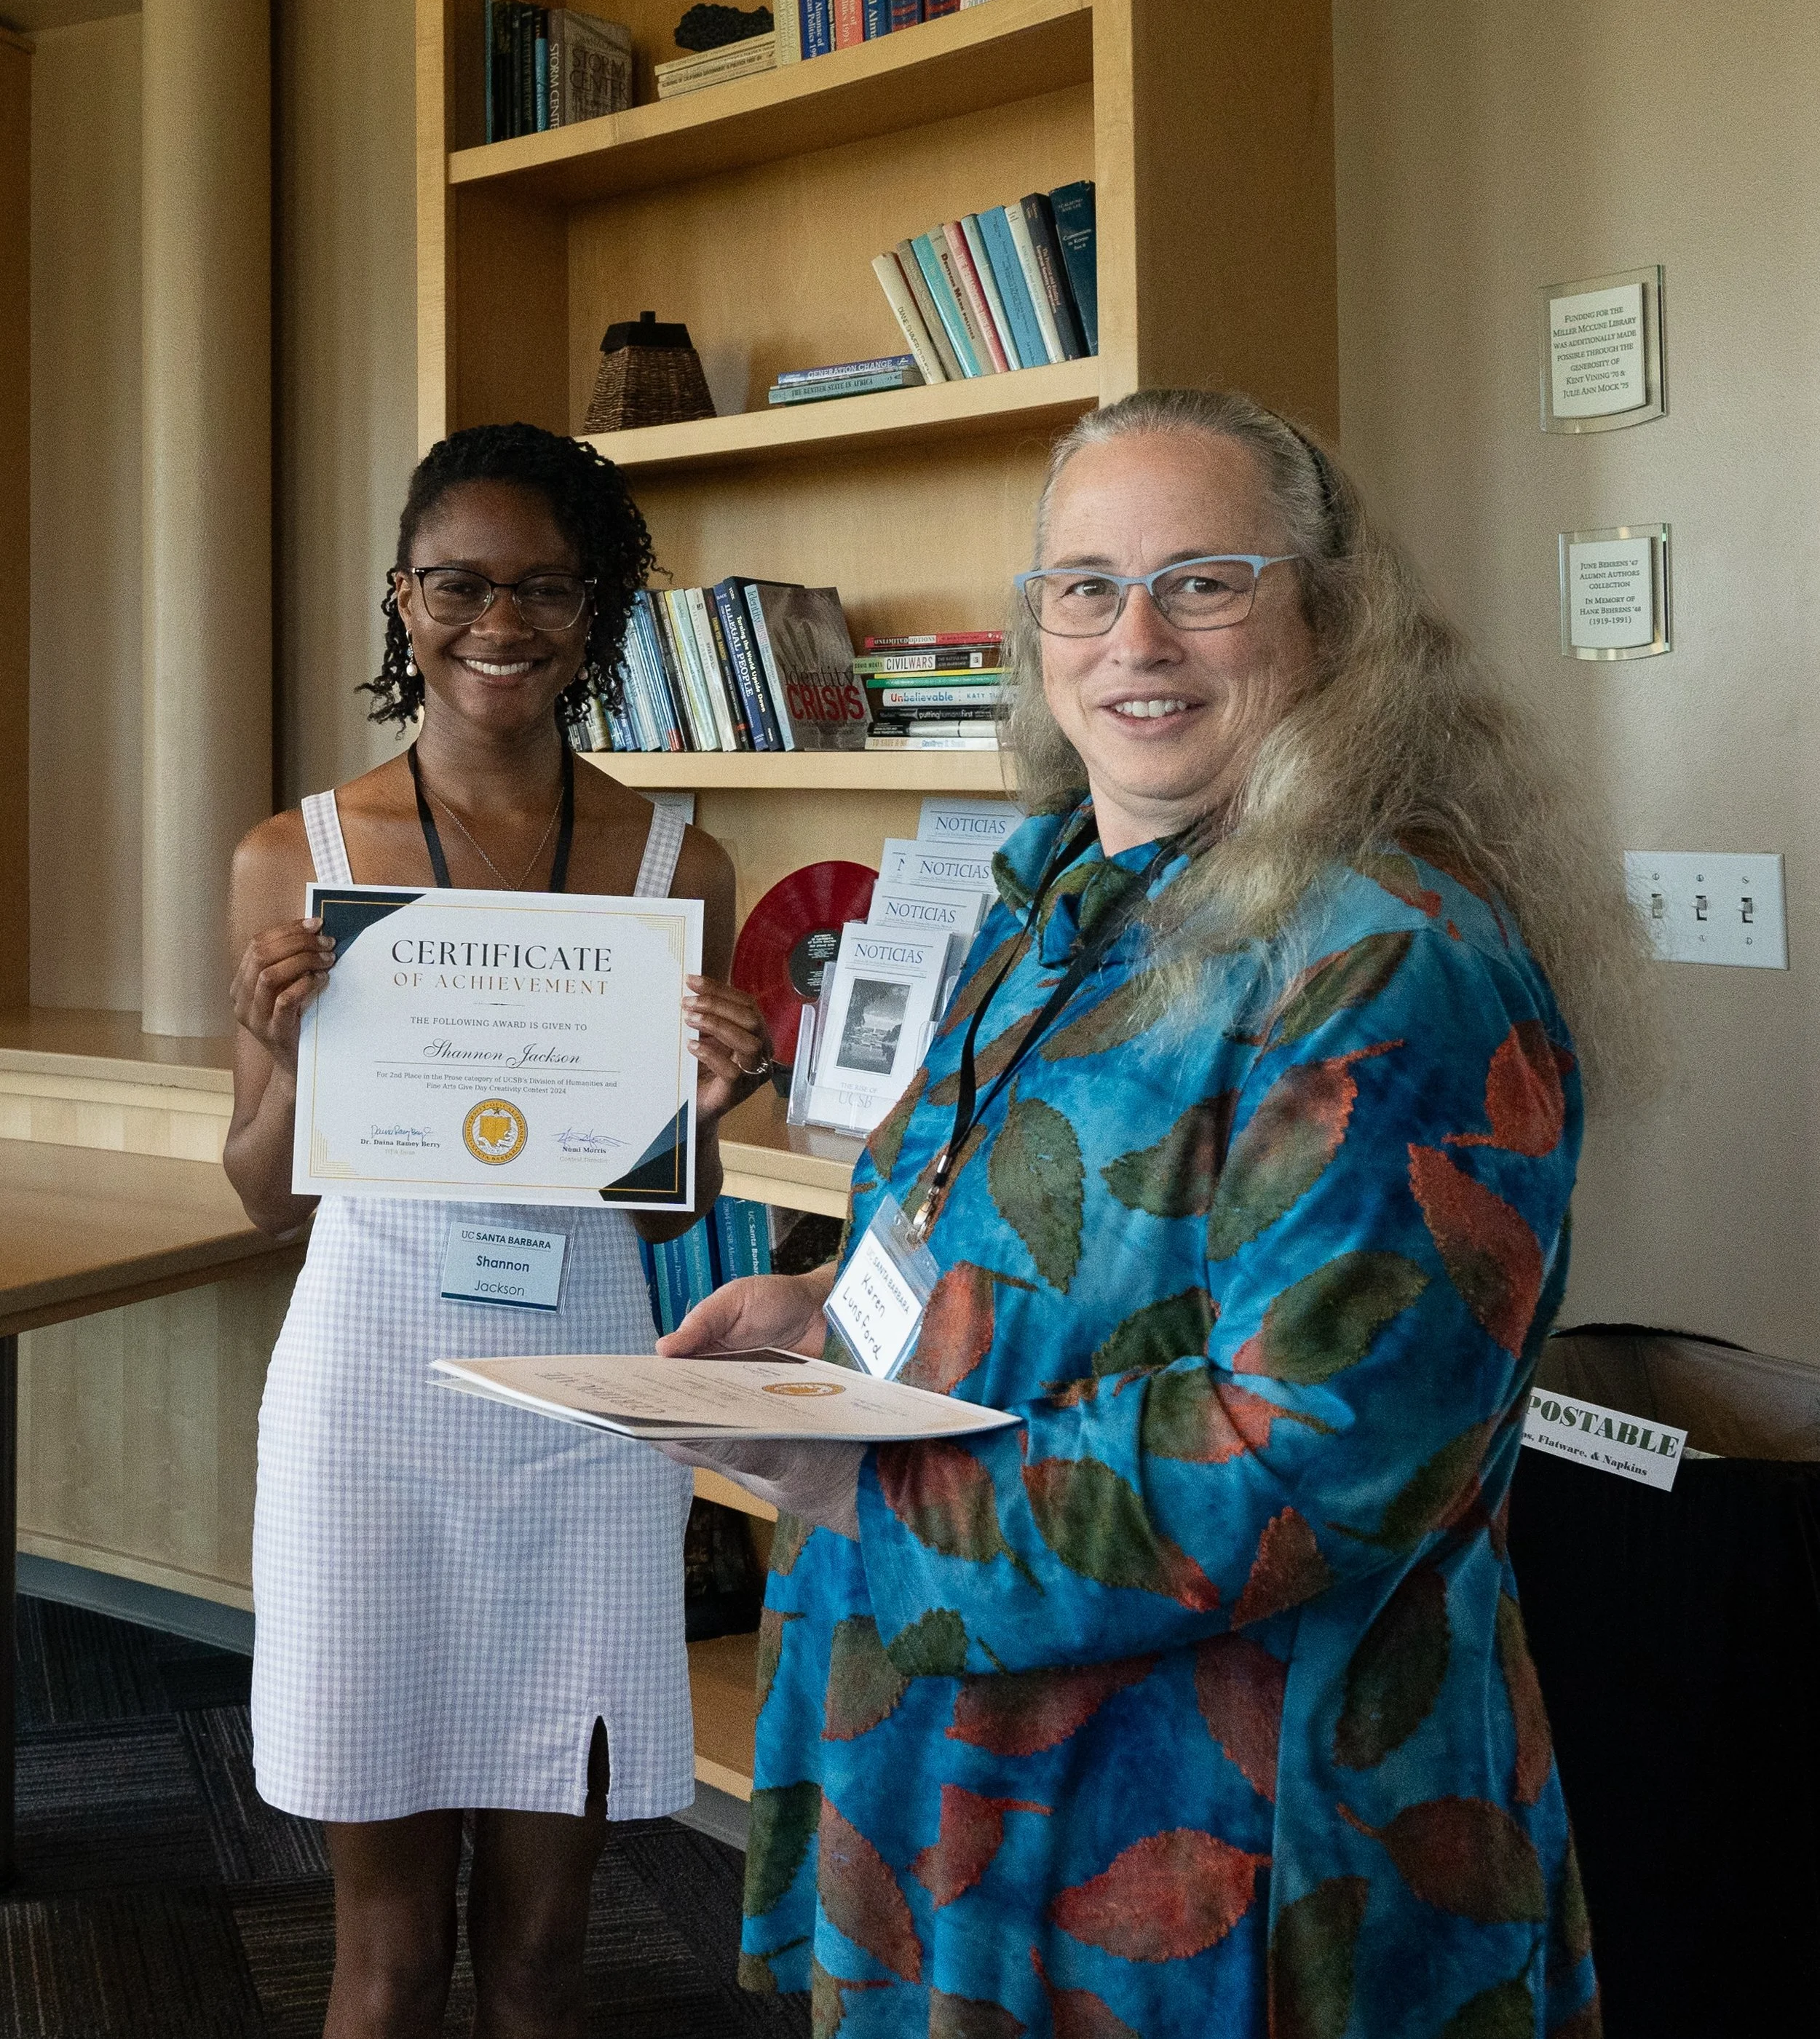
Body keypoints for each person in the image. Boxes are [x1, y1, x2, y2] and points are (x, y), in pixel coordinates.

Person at [662, 389, 1645, 2037]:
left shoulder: (1387, 958)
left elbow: (1307, 1453)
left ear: (1326, 618)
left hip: (1219, 1834)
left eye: (1205, 580)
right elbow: (995, 1221)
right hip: (961, 1780)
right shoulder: (1061, 883)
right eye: (1085, 584)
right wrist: (832, 1302)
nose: (1137, 634)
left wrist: (866, 1483)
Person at [224, 424, 772, 2039]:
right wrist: (271, 1050)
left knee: (545, 1950)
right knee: (384, 1954)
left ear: (595, 608)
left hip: (582, 1415)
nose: (499, 620)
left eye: (544, 585)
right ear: (402, 598)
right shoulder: (295, 858)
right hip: (370, 1400)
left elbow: (661, 1201)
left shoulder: (679, 860)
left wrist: (709, 1104)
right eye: (458, 582)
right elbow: (265, 1193)